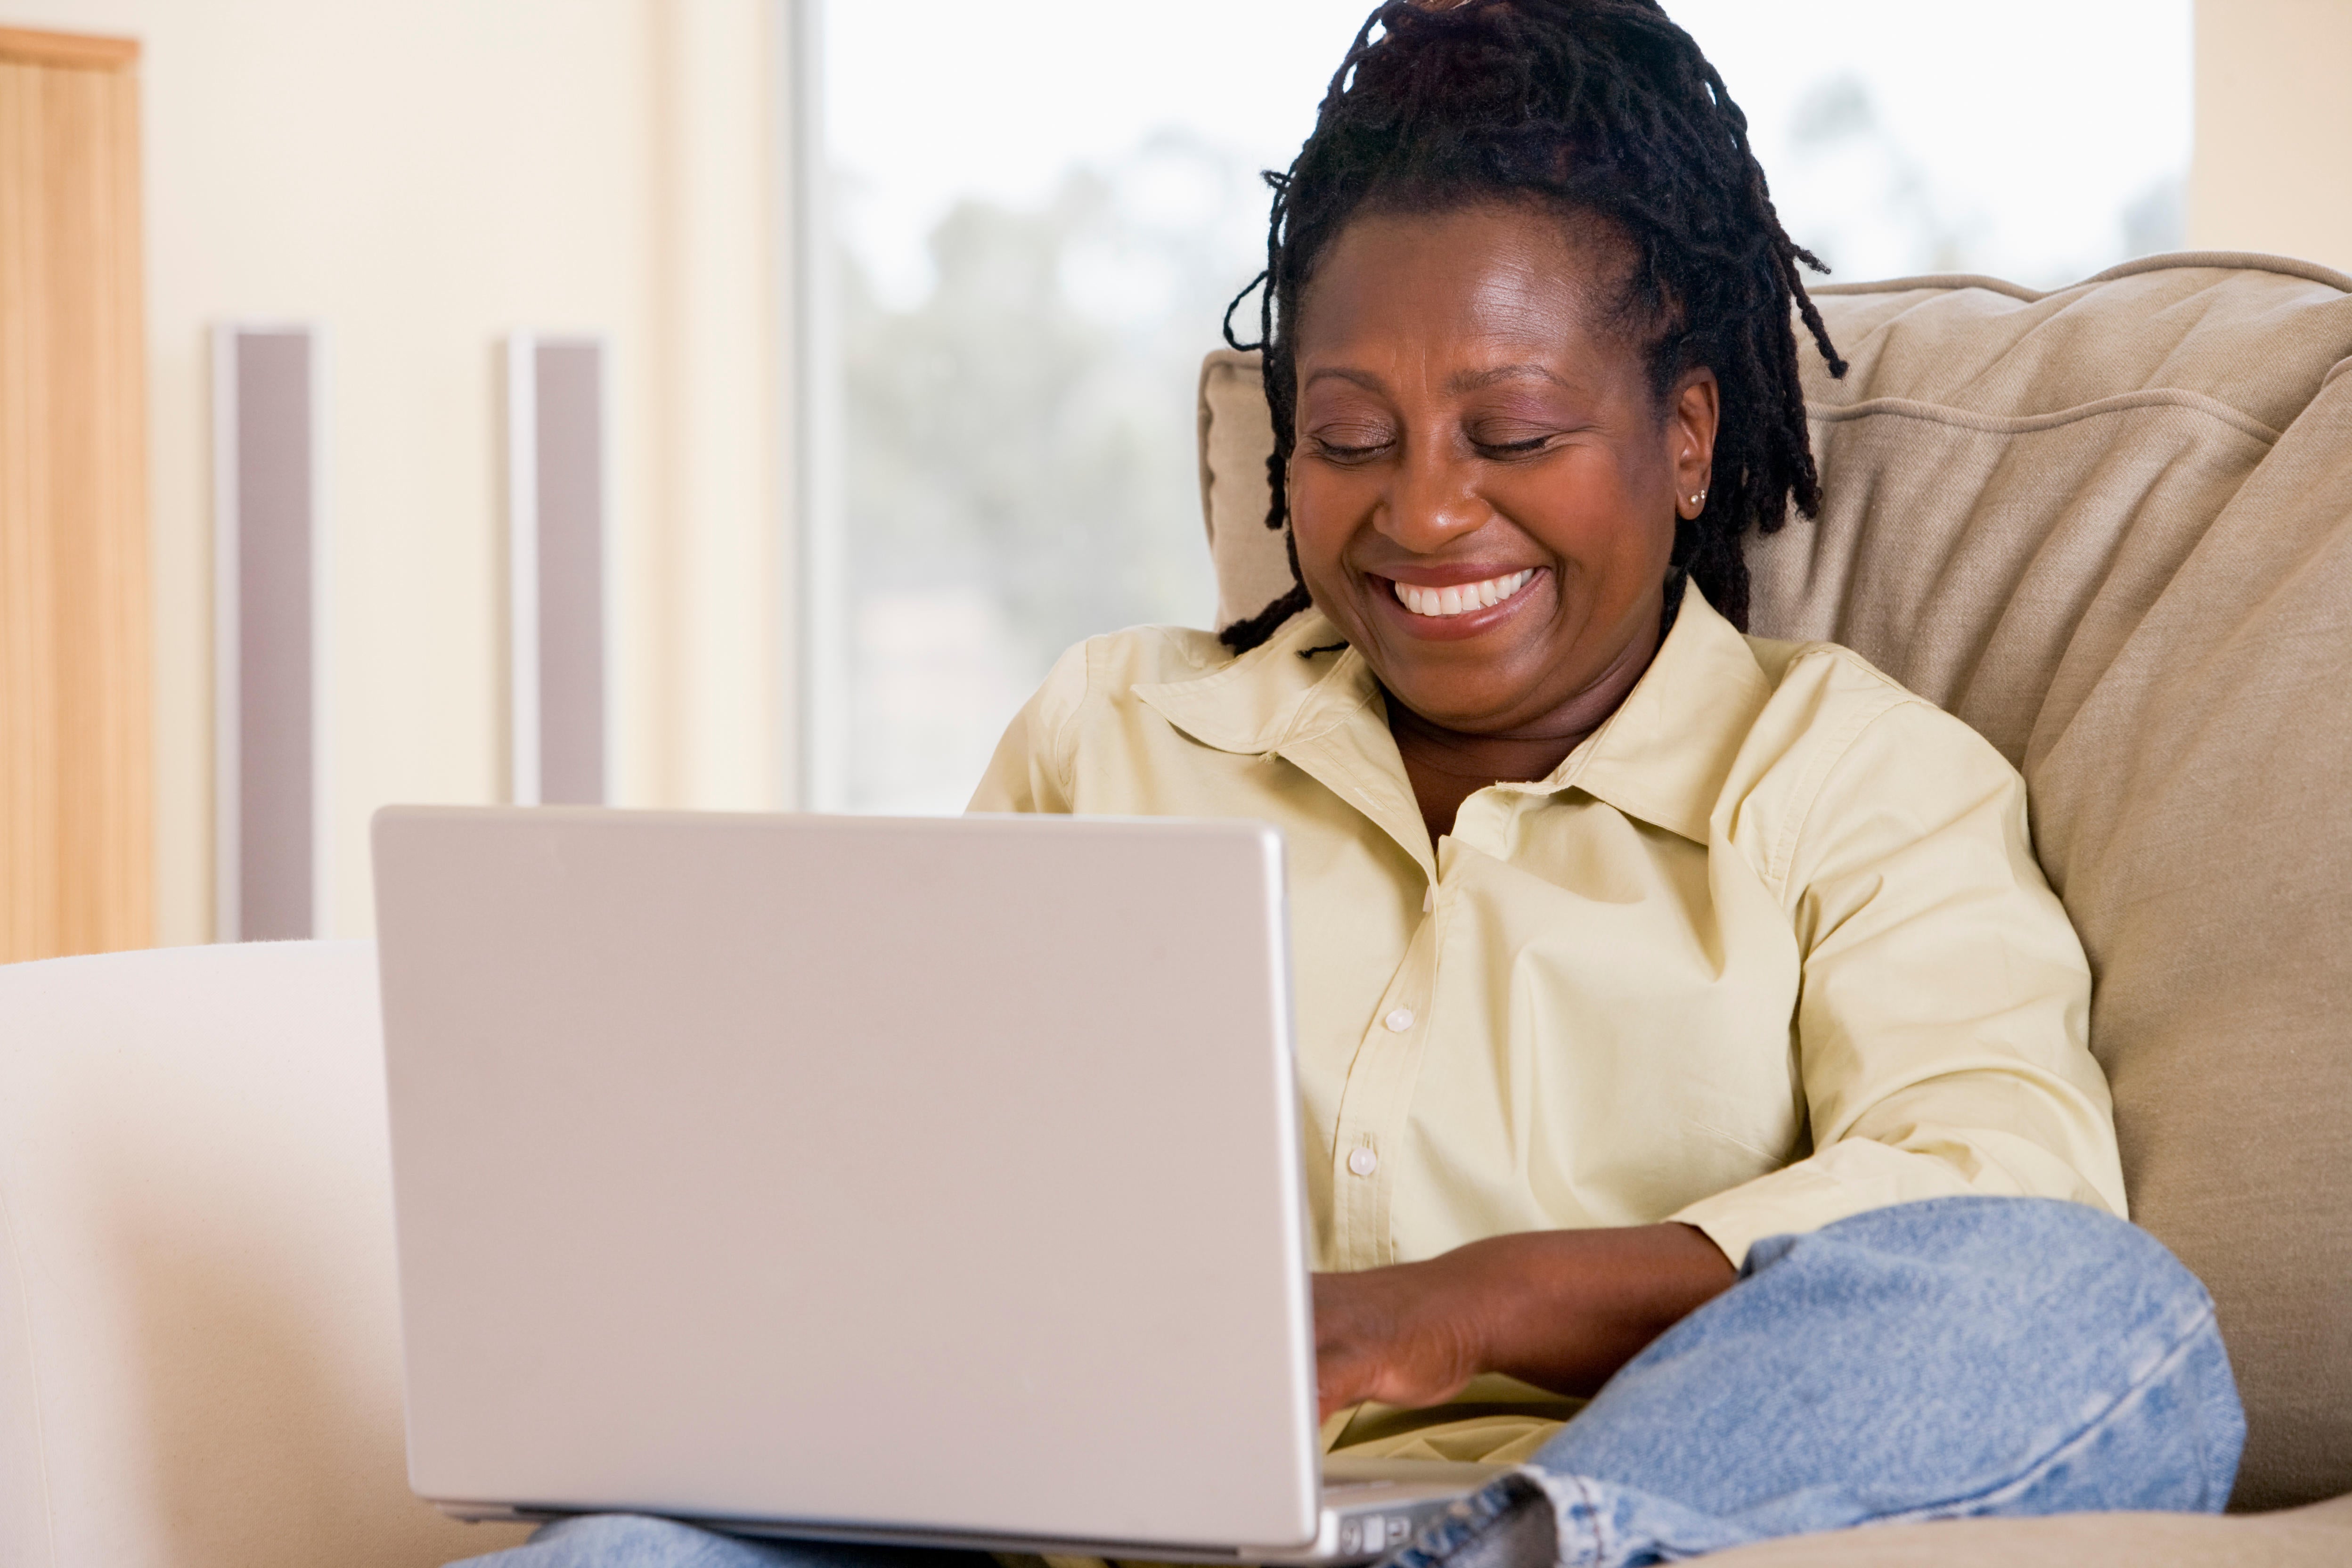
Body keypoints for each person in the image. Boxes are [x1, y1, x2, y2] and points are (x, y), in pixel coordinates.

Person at [460, 3, 2241, 1565]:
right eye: (1350, 440)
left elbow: (2001, 1183)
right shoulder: (1120, 733)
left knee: (2092, 1314)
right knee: (621, 1546)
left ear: (1686, 437)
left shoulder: (1854, 782)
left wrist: (1470, 1312)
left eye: (1516, 435)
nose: (1427, 514)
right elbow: (917, 1184)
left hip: (1596, 1503)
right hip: (1054, 1527)